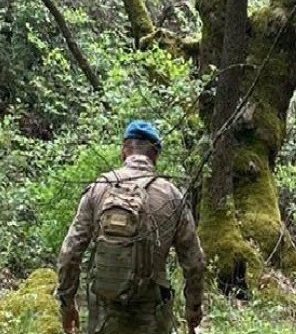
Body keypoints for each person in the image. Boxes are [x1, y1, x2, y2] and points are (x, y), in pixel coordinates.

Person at [56, 120, 205, 334]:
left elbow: (70, 253)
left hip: (105, 316)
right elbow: (194, 263)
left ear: (124, 150)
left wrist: (67, 303)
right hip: (152, 316)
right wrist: (193, 312)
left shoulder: (99, 188)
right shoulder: (172, 196)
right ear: (155, 155)